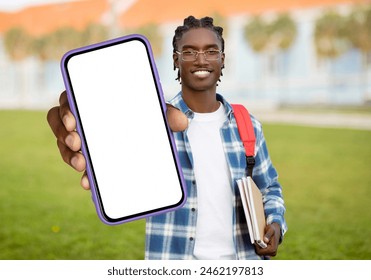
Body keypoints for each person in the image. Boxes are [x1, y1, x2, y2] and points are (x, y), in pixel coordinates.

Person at [47, 15, 287, 260]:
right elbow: (124, 174)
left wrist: (276, 226)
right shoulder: (153, 122)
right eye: (190, 52)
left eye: (211, 51)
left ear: (222, 59)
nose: (201, 59)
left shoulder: (248, 125)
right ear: (176, 60)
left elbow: (269, 188)